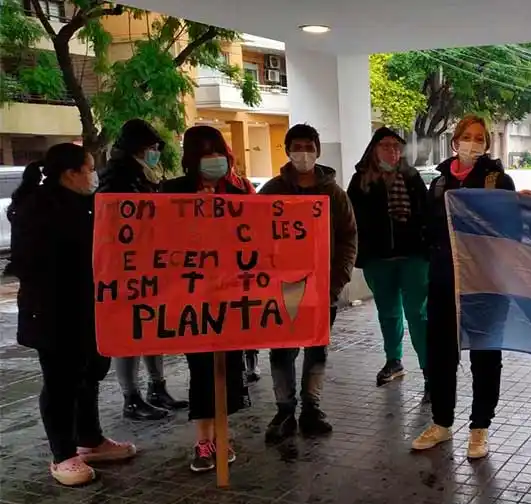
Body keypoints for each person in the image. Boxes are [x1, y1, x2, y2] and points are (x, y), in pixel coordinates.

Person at [11, 143, 137, 486]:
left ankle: (90, 439)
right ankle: (62, 454)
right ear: (71, 174)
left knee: (89, 374)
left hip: (87, 310)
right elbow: (39, 264)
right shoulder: (38, 208)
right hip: (51, 314)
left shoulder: (84, 206)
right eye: (89, 168)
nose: (93, 175)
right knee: (61, 381)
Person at [411, 114, 515, 460]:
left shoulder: (498, 181)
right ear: (455, 141)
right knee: (441, 355)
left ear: (486, 144)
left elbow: (509, 231)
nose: (473, 143)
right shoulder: (439, 183)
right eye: (467, 136)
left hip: (486, 285)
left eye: (479, 137)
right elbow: (429, 232)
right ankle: (441, 423)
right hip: (443, 284)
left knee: (485, 357)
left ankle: (479, 428)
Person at [162, 125, 253, 472]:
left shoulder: (240, 190)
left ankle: (224, 439)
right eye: (205, 153)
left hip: (231, 295)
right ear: (191, 158)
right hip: (191, 298)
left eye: (217, 151)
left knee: (228, 368)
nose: (213, 159)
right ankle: (204, 441)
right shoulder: (172, 191)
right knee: (200, 369)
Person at [259, 124, 357, 443]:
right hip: (280, 290)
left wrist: (336, 280)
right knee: (281, 352)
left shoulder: (333, 193)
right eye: (297, 146)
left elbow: (347, 238)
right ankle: (284, 409)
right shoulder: (272, 191)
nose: (303, 152)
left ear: (318, 150)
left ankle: (311, 409)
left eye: (308, 146)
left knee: (317, 351)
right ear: (287, 150)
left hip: (321, 289)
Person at [98, 118, 186, 420]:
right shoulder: (119, 177)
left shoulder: (140, 173)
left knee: (150, 329)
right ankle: (131, 397)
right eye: (150, 147)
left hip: (147, 265)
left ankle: (155, 387)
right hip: (128, 269)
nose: (154, 153)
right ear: (138, 148)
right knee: (130, 333)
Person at [347, 127, 429, 390]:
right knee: (389, 313)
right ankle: (394, 361)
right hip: (378, 259)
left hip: (414, 257)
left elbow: (426, 213)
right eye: (386, 146)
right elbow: (352, 221)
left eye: (396, 146)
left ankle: (430, 369)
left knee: (418, 313)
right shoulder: (360, 181)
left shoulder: (412, 177)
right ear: (374, 149)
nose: (392, 151)